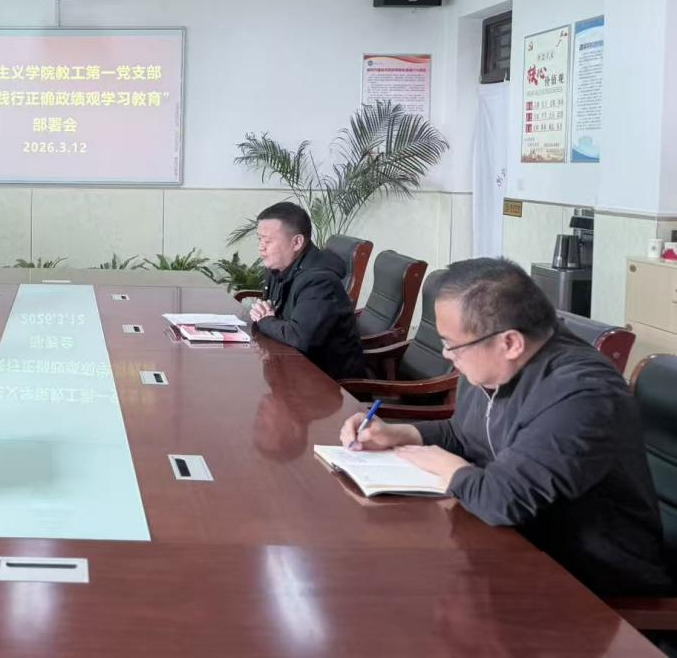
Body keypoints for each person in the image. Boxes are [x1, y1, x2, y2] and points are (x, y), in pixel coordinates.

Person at [340, 257, 672, 598]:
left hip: (593, 585)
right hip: (516, 546)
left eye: (452, 344)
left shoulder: (583, 393)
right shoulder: (494, 363)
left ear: (510, 342)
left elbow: (502, 499)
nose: (447, 355)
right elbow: (465, 435)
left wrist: (449, 468)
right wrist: (400, 433)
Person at [247, 202, 365, 380]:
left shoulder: (319, 282)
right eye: (260, 239)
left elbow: (299, 338)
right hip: (292, 368)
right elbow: (274, 312)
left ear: (297, 242)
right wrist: (265, 315)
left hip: (330, 383)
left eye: (268, 241)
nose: (261, 247)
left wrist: (265, 320)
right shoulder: (278, 268)